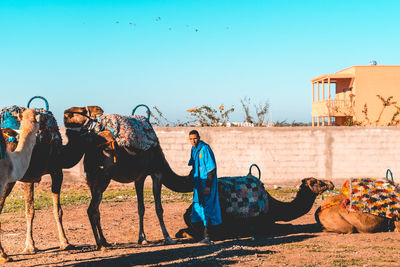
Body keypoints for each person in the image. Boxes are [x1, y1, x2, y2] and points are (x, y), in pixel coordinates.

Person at [188, 130, 221, 244]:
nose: (193, 141)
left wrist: (208, 186)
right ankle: (200, 236)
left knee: (207, 209)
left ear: (199, 137)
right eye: (191, 139)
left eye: (195, 138)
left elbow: (211, 169)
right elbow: (193, 168)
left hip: (206, 185)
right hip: (198, 185)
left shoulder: (205, 149)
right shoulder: (194, 150)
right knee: (197, 210)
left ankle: (208, 237)